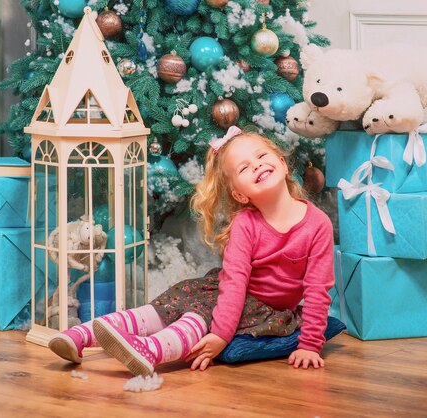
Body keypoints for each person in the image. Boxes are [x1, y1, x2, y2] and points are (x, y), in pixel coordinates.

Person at [48, 126, 335, 376]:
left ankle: (151, 350)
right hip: (228, 293)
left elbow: (317, 289)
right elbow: (234, 283)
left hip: (265, 309)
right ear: (239, 194)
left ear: (283, 165)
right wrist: (222, 333)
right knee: (162, 309)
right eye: (244, 168)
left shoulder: (317, 224)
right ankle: (79, 335)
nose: (257, 166)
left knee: (196, 318)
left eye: (261, 157)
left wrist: (309, 345)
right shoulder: (245, 224)